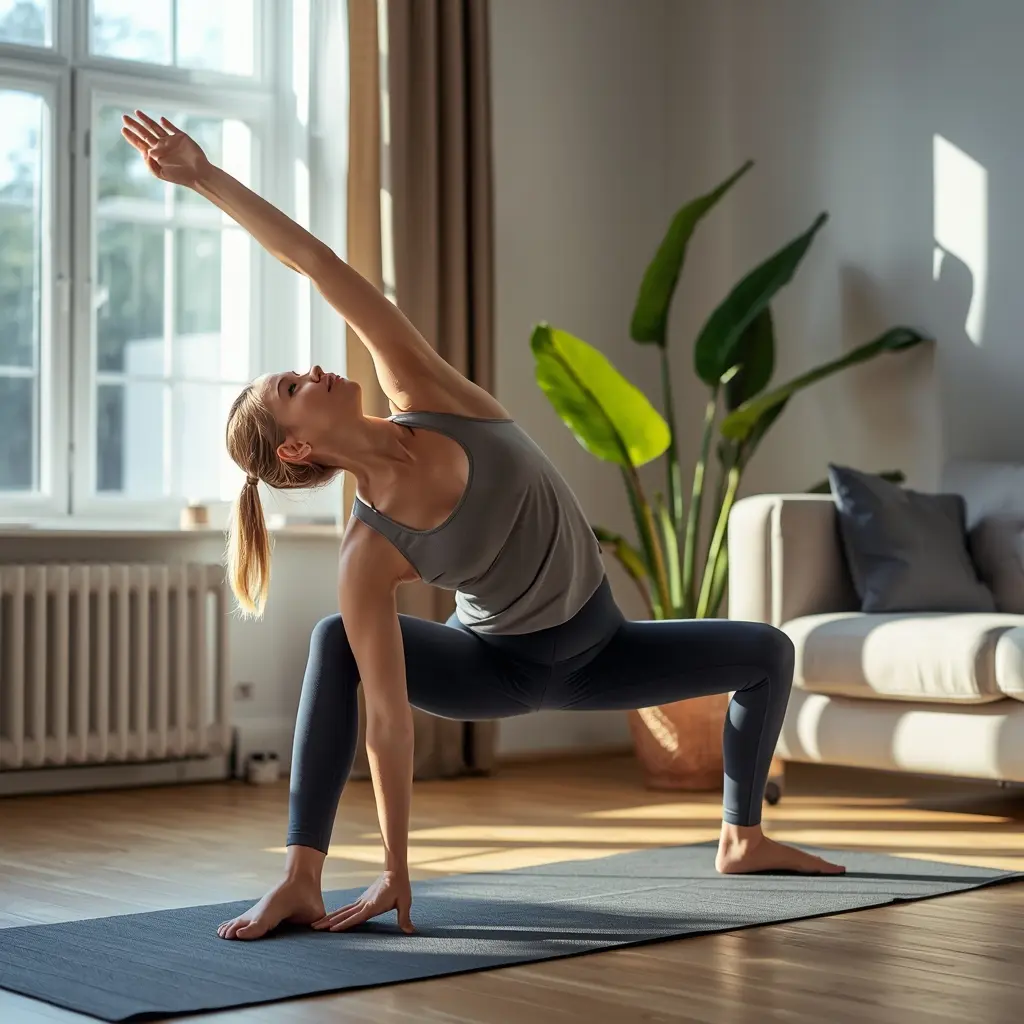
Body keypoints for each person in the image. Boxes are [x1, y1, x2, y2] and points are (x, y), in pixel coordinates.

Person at [121, 110, 845, 942]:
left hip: (602, 648)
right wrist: (396, 870)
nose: (314, 367)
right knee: (336, 639)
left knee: (767, 652)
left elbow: (317, 264)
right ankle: (299, 876)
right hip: (499, 669)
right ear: (295, 442)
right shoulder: (369, 550)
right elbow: (390, 723)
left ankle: (740, 836)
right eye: (294, 384)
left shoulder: (430, 393)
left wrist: (204, 175)